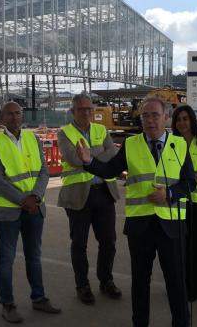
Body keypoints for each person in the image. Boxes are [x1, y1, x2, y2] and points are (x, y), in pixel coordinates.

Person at [76, 97, 196, 327]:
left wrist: (169, 194)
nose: (150, 120)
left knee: (176, 283)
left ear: (166, 117)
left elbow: (190, 183)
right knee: (140, 282)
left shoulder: (179, 145)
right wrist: (89, 161)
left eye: (155, 115)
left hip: (172, 226)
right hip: (140, 226)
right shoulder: (131, 145)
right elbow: (110, 170)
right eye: (145, 116)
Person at [0, 101, 61, 323]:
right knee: (6, 258)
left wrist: (35, 197)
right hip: (9, 212)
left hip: (35, 209)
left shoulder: (33, 139)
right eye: (10, 114)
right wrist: (23, 200)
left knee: (34, 256)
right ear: (2, 118)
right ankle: (7, 304)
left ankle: (39, 298)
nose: (15, 117)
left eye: (18, 113)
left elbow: (44, 172)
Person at [57, 93, 122, 305]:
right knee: (79, 244)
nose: (86, 113)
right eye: (81, 109)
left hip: (104, 192)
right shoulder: (64, 133)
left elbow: (111, 154)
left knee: (108, 242)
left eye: (89, 109)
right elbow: (74, 158)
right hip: (78, 196)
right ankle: (82, 286)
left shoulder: (101, 129)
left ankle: (106, 280)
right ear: (73, 112)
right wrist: (98, 152)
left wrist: (89, 155)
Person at [171, 105, 197, 301]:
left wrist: (193, 174)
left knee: (196, 248)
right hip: (176, 202)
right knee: (178, 248)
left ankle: (194, 290)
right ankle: (179, 287)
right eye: (178, 119)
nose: (182, 123)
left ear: (192, 121)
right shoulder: (171, 143)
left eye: (185, 119)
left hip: (195, 203)